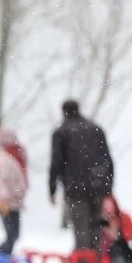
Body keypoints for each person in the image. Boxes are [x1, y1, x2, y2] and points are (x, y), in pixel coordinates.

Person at [48, 99, 114, 251]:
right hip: (98, 185)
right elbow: (107, 159)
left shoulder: (61, 132)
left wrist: (52, 188)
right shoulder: (96, 129)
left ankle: (83, 261)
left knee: (81, 229)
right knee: (96, 226)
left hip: (76, 187)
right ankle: (97, 258)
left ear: (64, 111)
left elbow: (56, 162)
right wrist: (108, 185)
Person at [0, 128, 28, 256]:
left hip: (13, 201)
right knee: (12, 234)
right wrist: (4, 199)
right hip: (6, 202)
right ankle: (0, 256)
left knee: (13, 234)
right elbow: (0, 181)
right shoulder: (2, 159)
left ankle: (3, 256)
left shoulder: (9, 157)